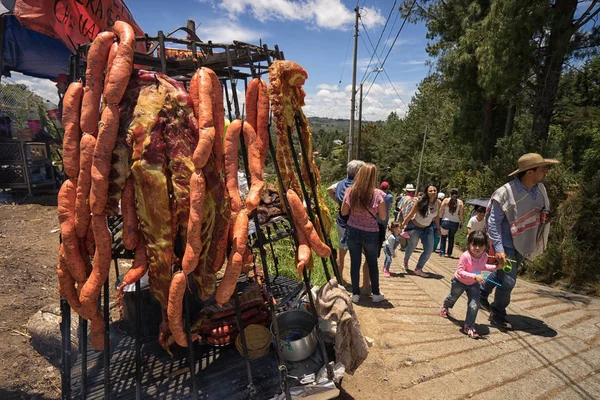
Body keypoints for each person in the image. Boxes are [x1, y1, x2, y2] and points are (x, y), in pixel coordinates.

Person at [481, 153, 559, 329]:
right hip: (506, 244)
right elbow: (493, 221)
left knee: (501, 274)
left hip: (525, 241)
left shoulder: (540, 190)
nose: (546, 171)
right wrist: (499, 248)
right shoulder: (505, 193)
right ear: (529, 172)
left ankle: (481, 293)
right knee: (508, 281)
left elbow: (543, 209)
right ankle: (497, 313)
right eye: (542, 168)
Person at [440, 231, 502, 338]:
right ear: (469, 244)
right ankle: (445, 306)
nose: (477, 248)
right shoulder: (465, 256)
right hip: (459, 282)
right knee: (452, 297)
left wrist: (495, 267)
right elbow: (460, 272)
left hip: (474, 284)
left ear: (485, 246)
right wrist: (475, 276)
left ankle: (468, 325)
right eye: (474, 244)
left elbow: (482, 266)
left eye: (481, 245)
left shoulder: (484, 255)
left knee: (474, 305)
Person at [341, 163, 386, 303]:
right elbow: (383, 217)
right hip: (371, 233)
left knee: (355, 262)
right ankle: (376, 294)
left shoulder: (350, 191)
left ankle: (355, 294)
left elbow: (344, 212)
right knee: (372, 263)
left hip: (353, 230)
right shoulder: (379, 194)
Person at [327, 160, 365, 285]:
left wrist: (338, 202)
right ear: (359, 172)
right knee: (364, 252)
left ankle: (339, 279)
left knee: (342, 252)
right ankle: (364, 284)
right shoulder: (360, 186)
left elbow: (329, 190)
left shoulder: (340, 183)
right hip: (356, 224)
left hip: (341, 222)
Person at [399, 184, 442, 277]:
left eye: (434, 190)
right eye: (430, 191)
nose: (433, 192)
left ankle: (418, 269)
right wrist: (402, 225)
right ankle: (405, 260)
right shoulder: (420, 202)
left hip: (428, 228)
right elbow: (410, 214)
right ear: (426, 192)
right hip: (415, 227)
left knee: (429, 249)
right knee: (412, 246)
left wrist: (438, 229)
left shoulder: (438, 202)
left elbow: (437, 217)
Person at [439, 188, 464, 258]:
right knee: (451, 237)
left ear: (450, 193)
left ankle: (442, 252)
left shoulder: (446, 200)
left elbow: (441, 211)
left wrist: (439, 218)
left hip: (445, 221)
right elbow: (461, 214)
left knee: (443, 237)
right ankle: (449, 253)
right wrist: (461, 222)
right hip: (455, 222)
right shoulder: (460, 202)